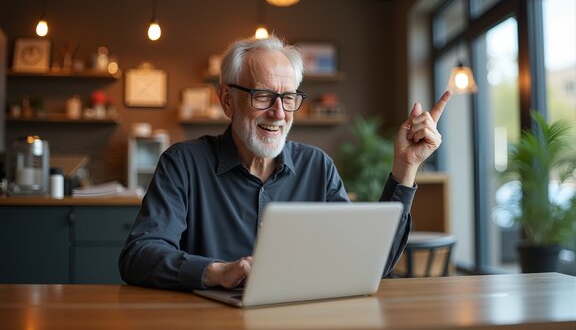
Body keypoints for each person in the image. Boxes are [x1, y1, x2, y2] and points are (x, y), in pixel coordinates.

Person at [119, 35, 452, 291]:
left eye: (289, 98)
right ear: (226, 100)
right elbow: (139, 256)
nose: (279, 113)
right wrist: (216, 272)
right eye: (263, 96)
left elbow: (367, 264)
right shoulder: (183, 164)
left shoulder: (317, 167)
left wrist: (405, 167)